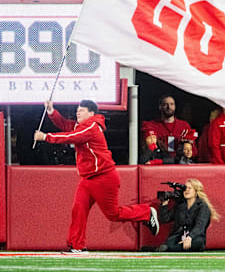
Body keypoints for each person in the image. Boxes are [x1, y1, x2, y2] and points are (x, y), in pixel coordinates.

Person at [34, 100, 159, 254]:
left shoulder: (92, 127)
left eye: (82, 110)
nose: (78, 112)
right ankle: (77, 246)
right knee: (78, 210)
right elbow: (66, 125)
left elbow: (71, 136)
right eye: (77, 109)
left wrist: (46, 137)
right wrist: (52, 111)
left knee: (113, 214)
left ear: (91, 113)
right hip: (88, 178)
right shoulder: (85, 126)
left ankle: (146, 213)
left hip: (103, 177)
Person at [158, 179, 219, 252]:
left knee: (197, 243)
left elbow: (200, 226)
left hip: (194, 237)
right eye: (185, 188)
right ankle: (172, 248)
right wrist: (164, 204)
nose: (187, 190)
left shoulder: (202, 206)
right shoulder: (180, 205)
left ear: (196, 191)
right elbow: (165, 219)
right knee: (170, 242)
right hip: (179, 236)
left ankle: (169, 249)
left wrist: (190, 237)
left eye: (190, 188)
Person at [141, 95, 194, 161]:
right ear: (160, 107)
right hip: (159, 164)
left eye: (172, 104)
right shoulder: (150, 125)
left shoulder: (184, 126)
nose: (169, 107)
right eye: (165, 104)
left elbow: (194, 152)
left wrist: (187, 144)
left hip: (179, 164)